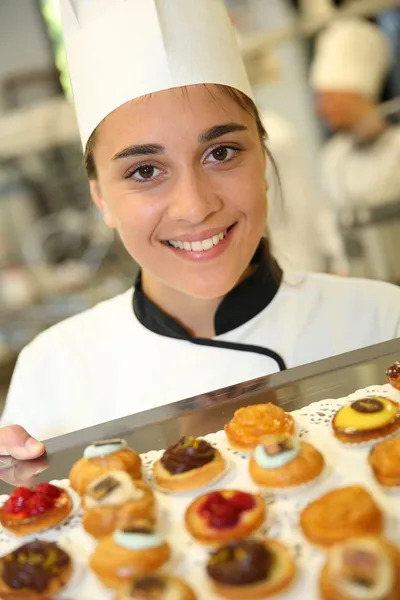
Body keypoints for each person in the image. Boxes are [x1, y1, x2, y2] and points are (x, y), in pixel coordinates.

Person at [1, 0, 400, 460]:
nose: (195, 207)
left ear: (265, 159)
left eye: (222, 153)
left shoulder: (381, 322)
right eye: (146, 171)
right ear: (100, 199)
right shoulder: (51, 373)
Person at [310, 17, 400, 281]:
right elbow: (328, 222)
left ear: (353, 94)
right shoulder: (333, 157)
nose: (320, 109)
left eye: (326, 98)